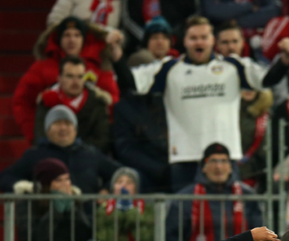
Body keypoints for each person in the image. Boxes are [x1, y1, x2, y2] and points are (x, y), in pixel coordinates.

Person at [107, 16, 266, 191]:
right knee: (184, 216)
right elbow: (131, 82)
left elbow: (268, 80)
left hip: (224, 159)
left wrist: (285, 60)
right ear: (185, 41)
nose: (199, 42)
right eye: (194, 38)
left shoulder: (233, 67)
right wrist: (116, 53)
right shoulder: (169, 68)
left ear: (212, 40)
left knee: (224, 216)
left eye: (204, 37)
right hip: (184, 159)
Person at [13, 16, 119, 143]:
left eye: (77, 35)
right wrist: (37, 137)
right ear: (58, 39)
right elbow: (22, 102)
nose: (72, 40)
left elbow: (113, 102)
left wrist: (103, 139)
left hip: (90, 146)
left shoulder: (99, 66)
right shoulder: (42, 68)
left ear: (84, 38)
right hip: (52, 142)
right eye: (66, 35)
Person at [0, 105, 120, 195]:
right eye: (57, 123)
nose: (63, 128)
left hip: (87, 223)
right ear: (47, 130)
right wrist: (27, 187)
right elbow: (4, 178)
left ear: (75, 130)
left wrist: (106, 189)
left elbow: (120, 173)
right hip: (47, 223)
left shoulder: (91, 154)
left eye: (68, 123)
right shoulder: (34, 155)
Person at [34, 55, 112, 153]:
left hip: (88, 159)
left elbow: (102, 140)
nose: (76, 82)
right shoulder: (47, 102)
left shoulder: (97, 103)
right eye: (70, 76)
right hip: (54, 157)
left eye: (80, 76)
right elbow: (40, 137)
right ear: (60, 79)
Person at [201, 0, 280, 29]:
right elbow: (214, 11)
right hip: (222, 38)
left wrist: (237, 22)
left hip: (259, 40)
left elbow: (274, 11)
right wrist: (249, 6)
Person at [47, 0, 121, 29]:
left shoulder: (119, 2)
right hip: (72, 49)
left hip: (105, 51)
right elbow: (54, 21)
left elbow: (125, 33)